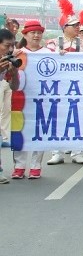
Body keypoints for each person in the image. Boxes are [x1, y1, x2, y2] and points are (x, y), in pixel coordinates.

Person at [46, 0, 83, 165]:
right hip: (58, 88)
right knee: (57, 119)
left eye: (78, 25)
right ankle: (57, 152)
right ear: (65, 28)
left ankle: (77, 152)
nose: (79, 28)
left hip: (78, 88)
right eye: (75, 25)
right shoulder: (53, 43)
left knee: (78, 119)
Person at [9, 21, 50, 179]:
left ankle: (36, 166)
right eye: (32, 32)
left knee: (39, 132)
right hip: (20, 99)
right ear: (24, 35)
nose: (36, 35)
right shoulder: (17, 53)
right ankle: (19, 166)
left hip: (42, 100)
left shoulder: (49, 52)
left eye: (39, 32)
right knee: (19, 131)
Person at [0, 28, 21, 184]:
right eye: (7, 45)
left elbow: (14, 87)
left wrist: (13, 74)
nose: (10, 49)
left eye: (13, 45)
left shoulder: (8, 61)